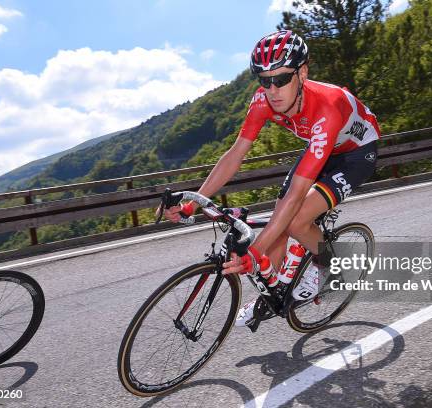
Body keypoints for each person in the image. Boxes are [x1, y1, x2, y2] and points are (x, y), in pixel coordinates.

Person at [160, 30, 380, 327]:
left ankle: (330, 267)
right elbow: (236, 154)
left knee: (295, 220)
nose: (272, 89)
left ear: (302, 73)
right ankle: (272, 293)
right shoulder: (263, 101)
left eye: (281, 79)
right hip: (321, 147)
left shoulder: (326, 107)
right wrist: (193, 202)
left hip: (356, 153)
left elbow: (296, 196)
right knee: (278, 222)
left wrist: (254, 251)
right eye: (265, 80)